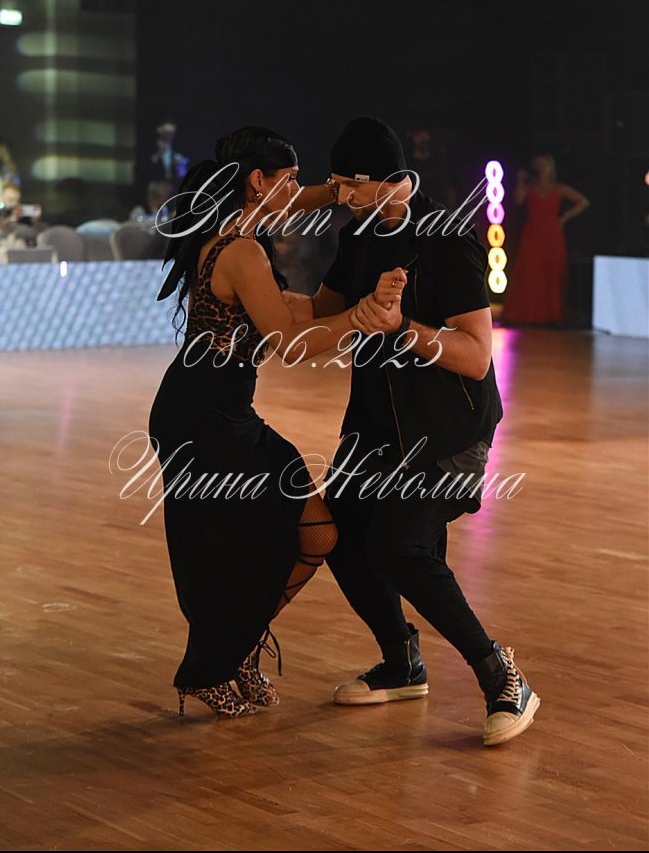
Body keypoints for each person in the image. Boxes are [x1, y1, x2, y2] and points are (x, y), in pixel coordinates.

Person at [308, 115, 540, 746]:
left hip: (448, 429)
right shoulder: (359, 235)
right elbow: (321, 312)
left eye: (348, 185)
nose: (340, 197)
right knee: (332, 530)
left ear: (382, 180)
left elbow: (477, 356)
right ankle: (401, 662)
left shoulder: (447, 238)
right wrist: (242, 290)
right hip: (375, 426)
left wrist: (402, 328)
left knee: (400, 547)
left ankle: (502, 677)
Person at [148, 126, 378, 720]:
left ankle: (234, 649)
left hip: (219, 411)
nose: (298, 193)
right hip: (203, 418)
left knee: (304, 534)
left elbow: (293, 202)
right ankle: (213, 664)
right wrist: (362, 317)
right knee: (242, 545)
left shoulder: (237, 224)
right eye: (289, 179)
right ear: (257, 181)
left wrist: (346, 190)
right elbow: (290, 344)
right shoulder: (242, 251)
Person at [502, 154, 590, 325]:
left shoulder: (558, 188)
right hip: (533, 232)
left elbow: (583, 201)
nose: (541, 168)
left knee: (551, 271)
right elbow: (518, 200)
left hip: (552, 233)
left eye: (544, 165)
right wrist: (520, 180)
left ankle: (550, 314)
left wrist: (564, 218)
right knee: (530, 270)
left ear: (550, 168)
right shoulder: (530, 187)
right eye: (538, 165)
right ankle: (526, 313)